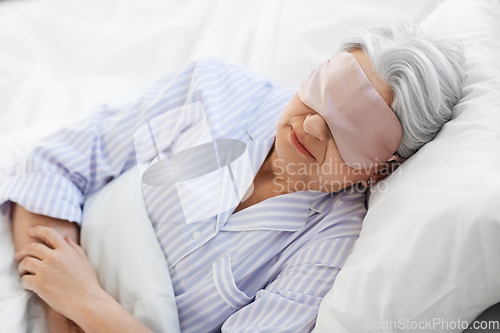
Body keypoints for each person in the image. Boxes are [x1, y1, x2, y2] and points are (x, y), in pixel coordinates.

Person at [1, 20, 465, 332]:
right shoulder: (213, 91)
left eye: (351, 131)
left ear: (384, 167)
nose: (311, 126)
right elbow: (53, 167)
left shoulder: (332, 251)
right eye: (321, 92)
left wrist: (89, 305)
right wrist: (60, 309)